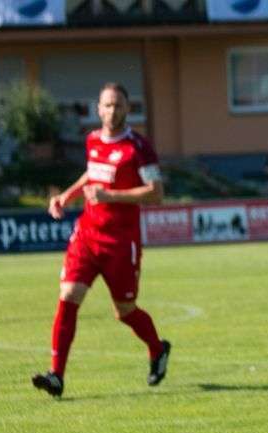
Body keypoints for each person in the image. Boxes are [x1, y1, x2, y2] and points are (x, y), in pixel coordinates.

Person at [33, 82, 171, 398]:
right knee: (68, 296)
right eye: (107, 105)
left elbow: (156, 193)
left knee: (125, 311)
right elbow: (91, 175)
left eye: (118, 105)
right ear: (98, 109)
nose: (112, 111)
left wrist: (110, 195)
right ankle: (57, 375)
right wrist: (68, 195)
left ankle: (157, 348)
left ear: (128, 109)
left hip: (121, 242)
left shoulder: (139, 147)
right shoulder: (93, 140)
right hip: (87, 235)